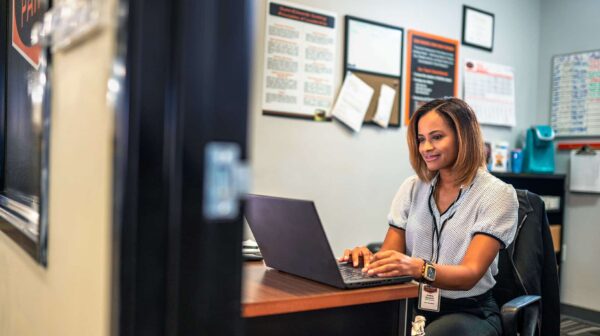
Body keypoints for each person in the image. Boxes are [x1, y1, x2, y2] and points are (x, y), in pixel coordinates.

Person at [340, 97, 518, 336]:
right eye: (421, 139)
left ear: (463, 137)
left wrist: (418, 268)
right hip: (413, 304)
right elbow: (390, 256)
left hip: (468, 312)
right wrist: (367, 261)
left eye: (437, 137)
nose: (425, 148)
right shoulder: (412, 188)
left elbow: (469, 275)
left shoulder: (497, 194)